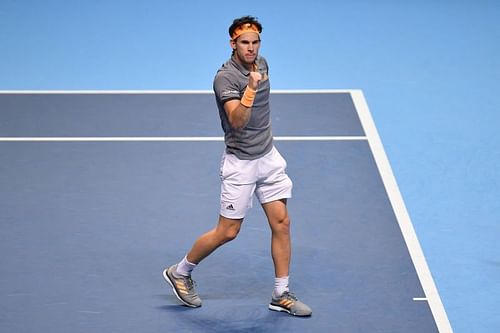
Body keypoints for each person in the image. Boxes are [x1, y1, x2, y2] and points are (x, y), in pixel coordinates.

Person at [163, 15, 312, 317]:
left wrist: (256, 84)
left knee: (282, 223)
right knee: (228, 232)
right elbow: (237, 121)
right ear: (232, 44)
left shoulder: (263, 64)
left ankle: (280, 294)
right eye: (244, 42)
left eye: (255, 42)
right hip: (240, 163)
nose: (251, 48)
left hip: (268, 158)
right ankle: (180, 272)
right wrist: (251, 89)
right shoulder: (225, 79)